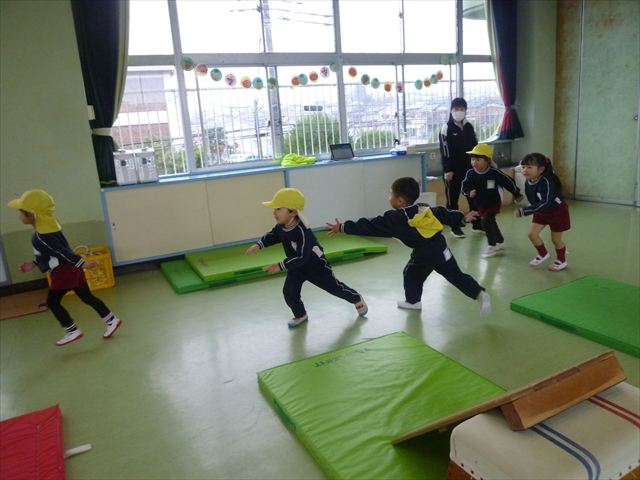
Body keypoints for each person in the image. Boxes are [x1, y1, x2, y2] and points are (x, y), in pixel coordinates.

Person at [326, 177, 491, 315]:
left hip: (424, 254)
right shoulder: (422, 207)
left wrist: (343, 227)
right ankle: (479, 293)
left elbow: (369, 225)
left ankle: (413, 302)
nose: (389, 197)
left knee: (411, 273)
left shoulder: (394, 219)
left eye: (390, 194)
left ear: (400, 201)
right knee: (455, 275)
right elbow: (442, 213)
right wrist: (461, 218)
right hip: (441, 248)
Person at [8, 189, 122, 346]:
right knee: (87, 297)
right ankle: (111, 320)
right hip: (72, 269)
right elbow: (52, 253)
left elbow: (62, 253)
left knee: (53, 302)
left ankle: (72, 330)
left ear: (32, 214)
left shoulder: (40, 237)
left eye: (21, 213)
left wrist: (83, 263)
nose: (19, 216)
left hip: (64, 272)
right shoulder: (49, 229)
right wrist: (34, 263)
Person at [246, 188, 367, 328]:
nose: (274, 212)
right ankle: (300, 314)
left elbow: (302, 256)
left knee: (334, 288)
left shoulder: (303, 231)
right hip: (296, 266)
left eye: (278, 209)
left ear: (292, 212)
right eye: (274, 209)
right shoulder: (281, 227)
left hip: (315, 266)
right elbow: (273, 235)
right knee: (289, 292)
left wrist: (280, 265)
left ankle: (356, 298)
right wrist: (259, 245)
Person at [461, 144, 524, 257]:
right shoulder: (470, 174)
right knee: (491, 222)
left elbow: (508, 182)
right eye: (472, 159)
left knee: (485, 222)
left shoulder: (495, 173)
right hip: (480, 203)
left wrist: (517, 194)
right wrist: (468, 192)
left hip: (494, 203)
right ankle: (500, 241)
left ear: (487, 161)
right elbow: (465, 186)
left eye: (478, 160)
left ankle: (492, 245)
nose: (474, 162)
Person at [515, 153, 571, 271]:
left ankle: (562, 260)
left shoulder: (547, 181)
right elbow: (535, 201)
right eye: (523, 167)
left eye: (529, 167)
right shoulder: (528, 181)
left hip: (557, 212)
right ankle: (543, 254)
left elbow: (546, 202)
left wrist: (524, 211)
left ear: (541, 169)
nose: (525, 170)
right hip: (542, 211)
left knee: (556, 239)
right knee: (532, 234)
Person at [439, 97, 482, 238]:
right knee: (453, 200)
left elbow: (475, 146)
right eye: (456, 109)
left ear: (465, 110)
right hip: (453, 171)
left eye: (462, 109)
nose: (459, 111)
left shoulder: (469, 127)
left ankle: (477, 224)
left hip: (469, 169)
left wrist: (478, 163)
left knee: (473, 197)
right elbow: (445, 151)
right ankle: (455, 227)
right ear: (451, 111)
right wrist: (448, 170)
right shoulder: (446, 128)